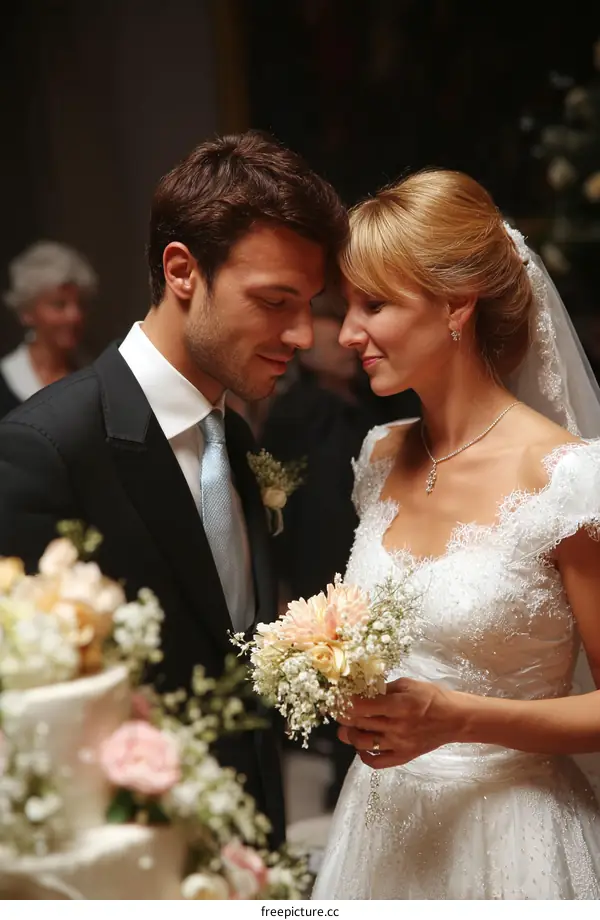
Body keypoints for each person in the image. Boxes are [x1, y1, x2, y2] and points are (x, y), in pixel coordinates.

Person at [0, 130, 348, 846]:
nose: (300, 336)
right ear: (184, 271)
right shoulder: (49, 449)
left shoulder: (240, 441)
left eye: (308, 305)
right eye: (275, 301)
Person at [312, 168, 600, 899]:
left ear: (456, 306)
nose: (348, 334)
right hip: (377, 826)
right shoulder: (379, 456)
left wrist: (460, 718)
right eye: (347, 307)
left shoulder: (565, 479)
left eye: (373, 304)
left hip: (512, 834)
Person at [0, 241, 95, 418]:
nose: (75, 316)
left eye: (81, 304)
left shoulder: (96, 378)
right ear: (27, 312)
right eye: (59, 305)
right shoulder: (5, 383)